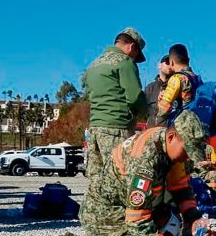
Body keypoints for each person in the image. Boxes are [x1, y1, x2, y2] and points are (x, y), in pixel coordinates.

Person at [53, 110, 211, 236]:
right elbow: (137, 222)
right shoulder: (145, 160)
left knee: (168, 231)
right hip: (105, 216)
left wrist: (192, 217)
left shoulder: (167, 143)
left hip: (124, 210)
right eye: (186, 150)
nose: (187, 156)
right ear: (172, 136)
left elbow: (180, 185)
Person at [81, 27, 149, 183]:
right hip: (117, 128)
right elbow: (134, 97)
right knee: (120, 178)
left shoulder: (94, 64)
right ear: (132, 47)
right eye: (136, 55)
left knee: (97, 181)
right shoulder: (125, 63)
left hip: (95, 128)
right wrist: (149, 109)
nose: (134, 59)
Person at [155, 44, 201, 123]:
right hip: (198, 125)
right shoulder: (197, 79)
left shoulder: (176, 78)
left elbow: (164, 108)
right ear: (188, 60)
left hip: (181, 127)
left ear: (171, 62)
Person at [144, 55, 173, 128]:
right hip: (151, 132)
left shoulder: (177, 87)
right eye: (167, 62)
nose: (170, 65)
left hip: (169, 133)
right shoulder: (149, 88)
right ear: (159, 65)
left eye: (172, 64)